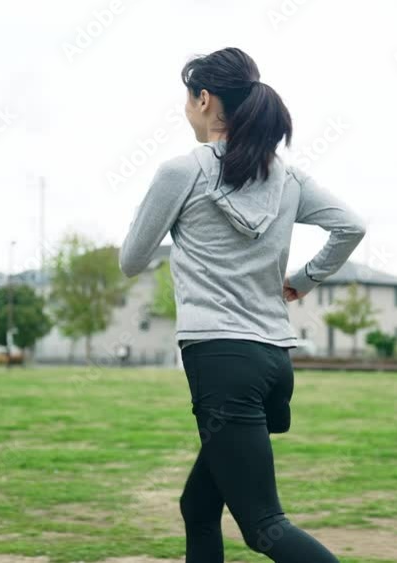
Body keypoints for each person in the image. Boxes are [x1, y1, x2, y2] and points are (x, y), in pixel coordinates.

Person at [119, 47, 365, 563]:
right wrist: (302, 281)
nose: (187, 109)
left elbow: (132, 260)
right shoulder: (288, 178)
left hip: (220, 361)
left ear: (205, 100)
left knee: (264, 527)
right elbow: (351, 225)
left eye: (188, 99)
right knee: (199, 507)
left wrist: (178, 231)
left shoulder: (180, 171)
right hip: (274, 362)